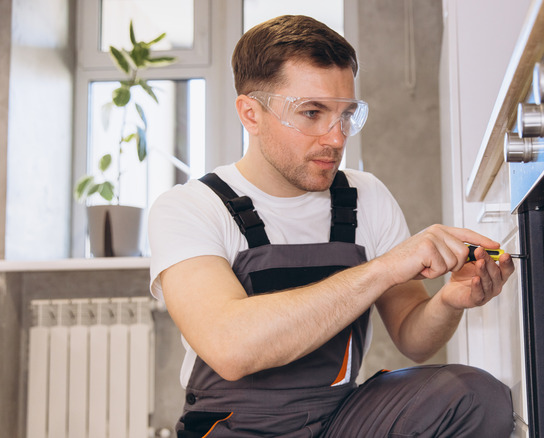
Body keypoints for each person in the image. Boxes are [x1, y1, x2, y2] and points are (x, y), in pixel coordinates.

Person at [148, 14, 516, 438]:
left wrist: (450, 300)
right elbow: (231, 347)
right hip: (236, 427)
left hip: (341, 419)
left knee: (475, 396)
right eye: (311, 113)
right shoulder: (190, 207)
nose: (337, 138)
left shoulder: (366, 196)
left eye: (346, 115)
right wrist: (383, 268)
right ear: (251, 113)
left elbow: (413, 337)